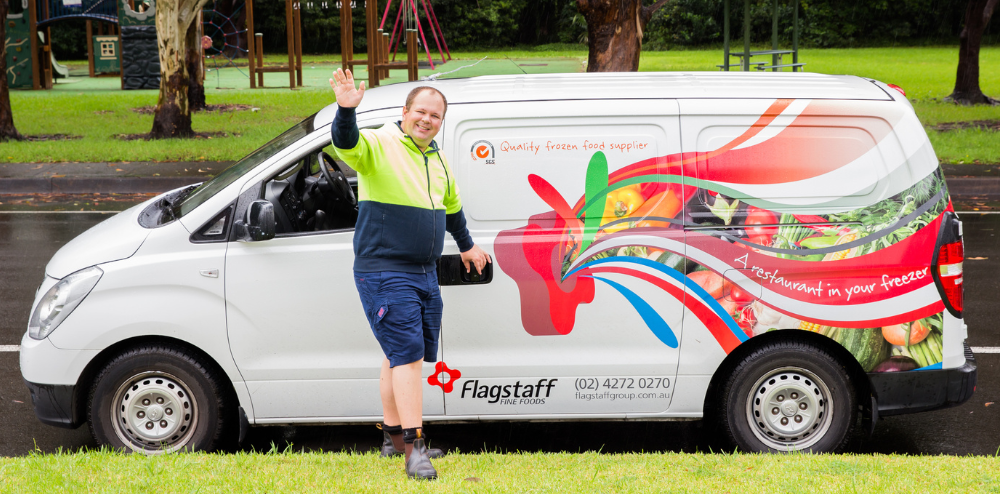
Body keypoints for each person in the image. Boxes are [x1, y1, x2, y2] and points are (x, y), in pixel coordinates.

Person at [329, 68, 491, 480]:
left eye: (435, 116)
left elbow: (451, 208)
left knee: (397, 355)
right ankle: (415, 447)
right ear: (405, 111)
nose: (427, 120)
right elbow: (346, 143)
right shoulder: (380, 143)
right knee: (410, 357)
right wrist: (346, 110)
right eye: (421, 111)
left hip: (423, 271)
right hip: (385, 270)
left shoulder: (436, 159)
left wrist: (467, 243)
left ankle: (392, 438)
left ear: (441, 122)